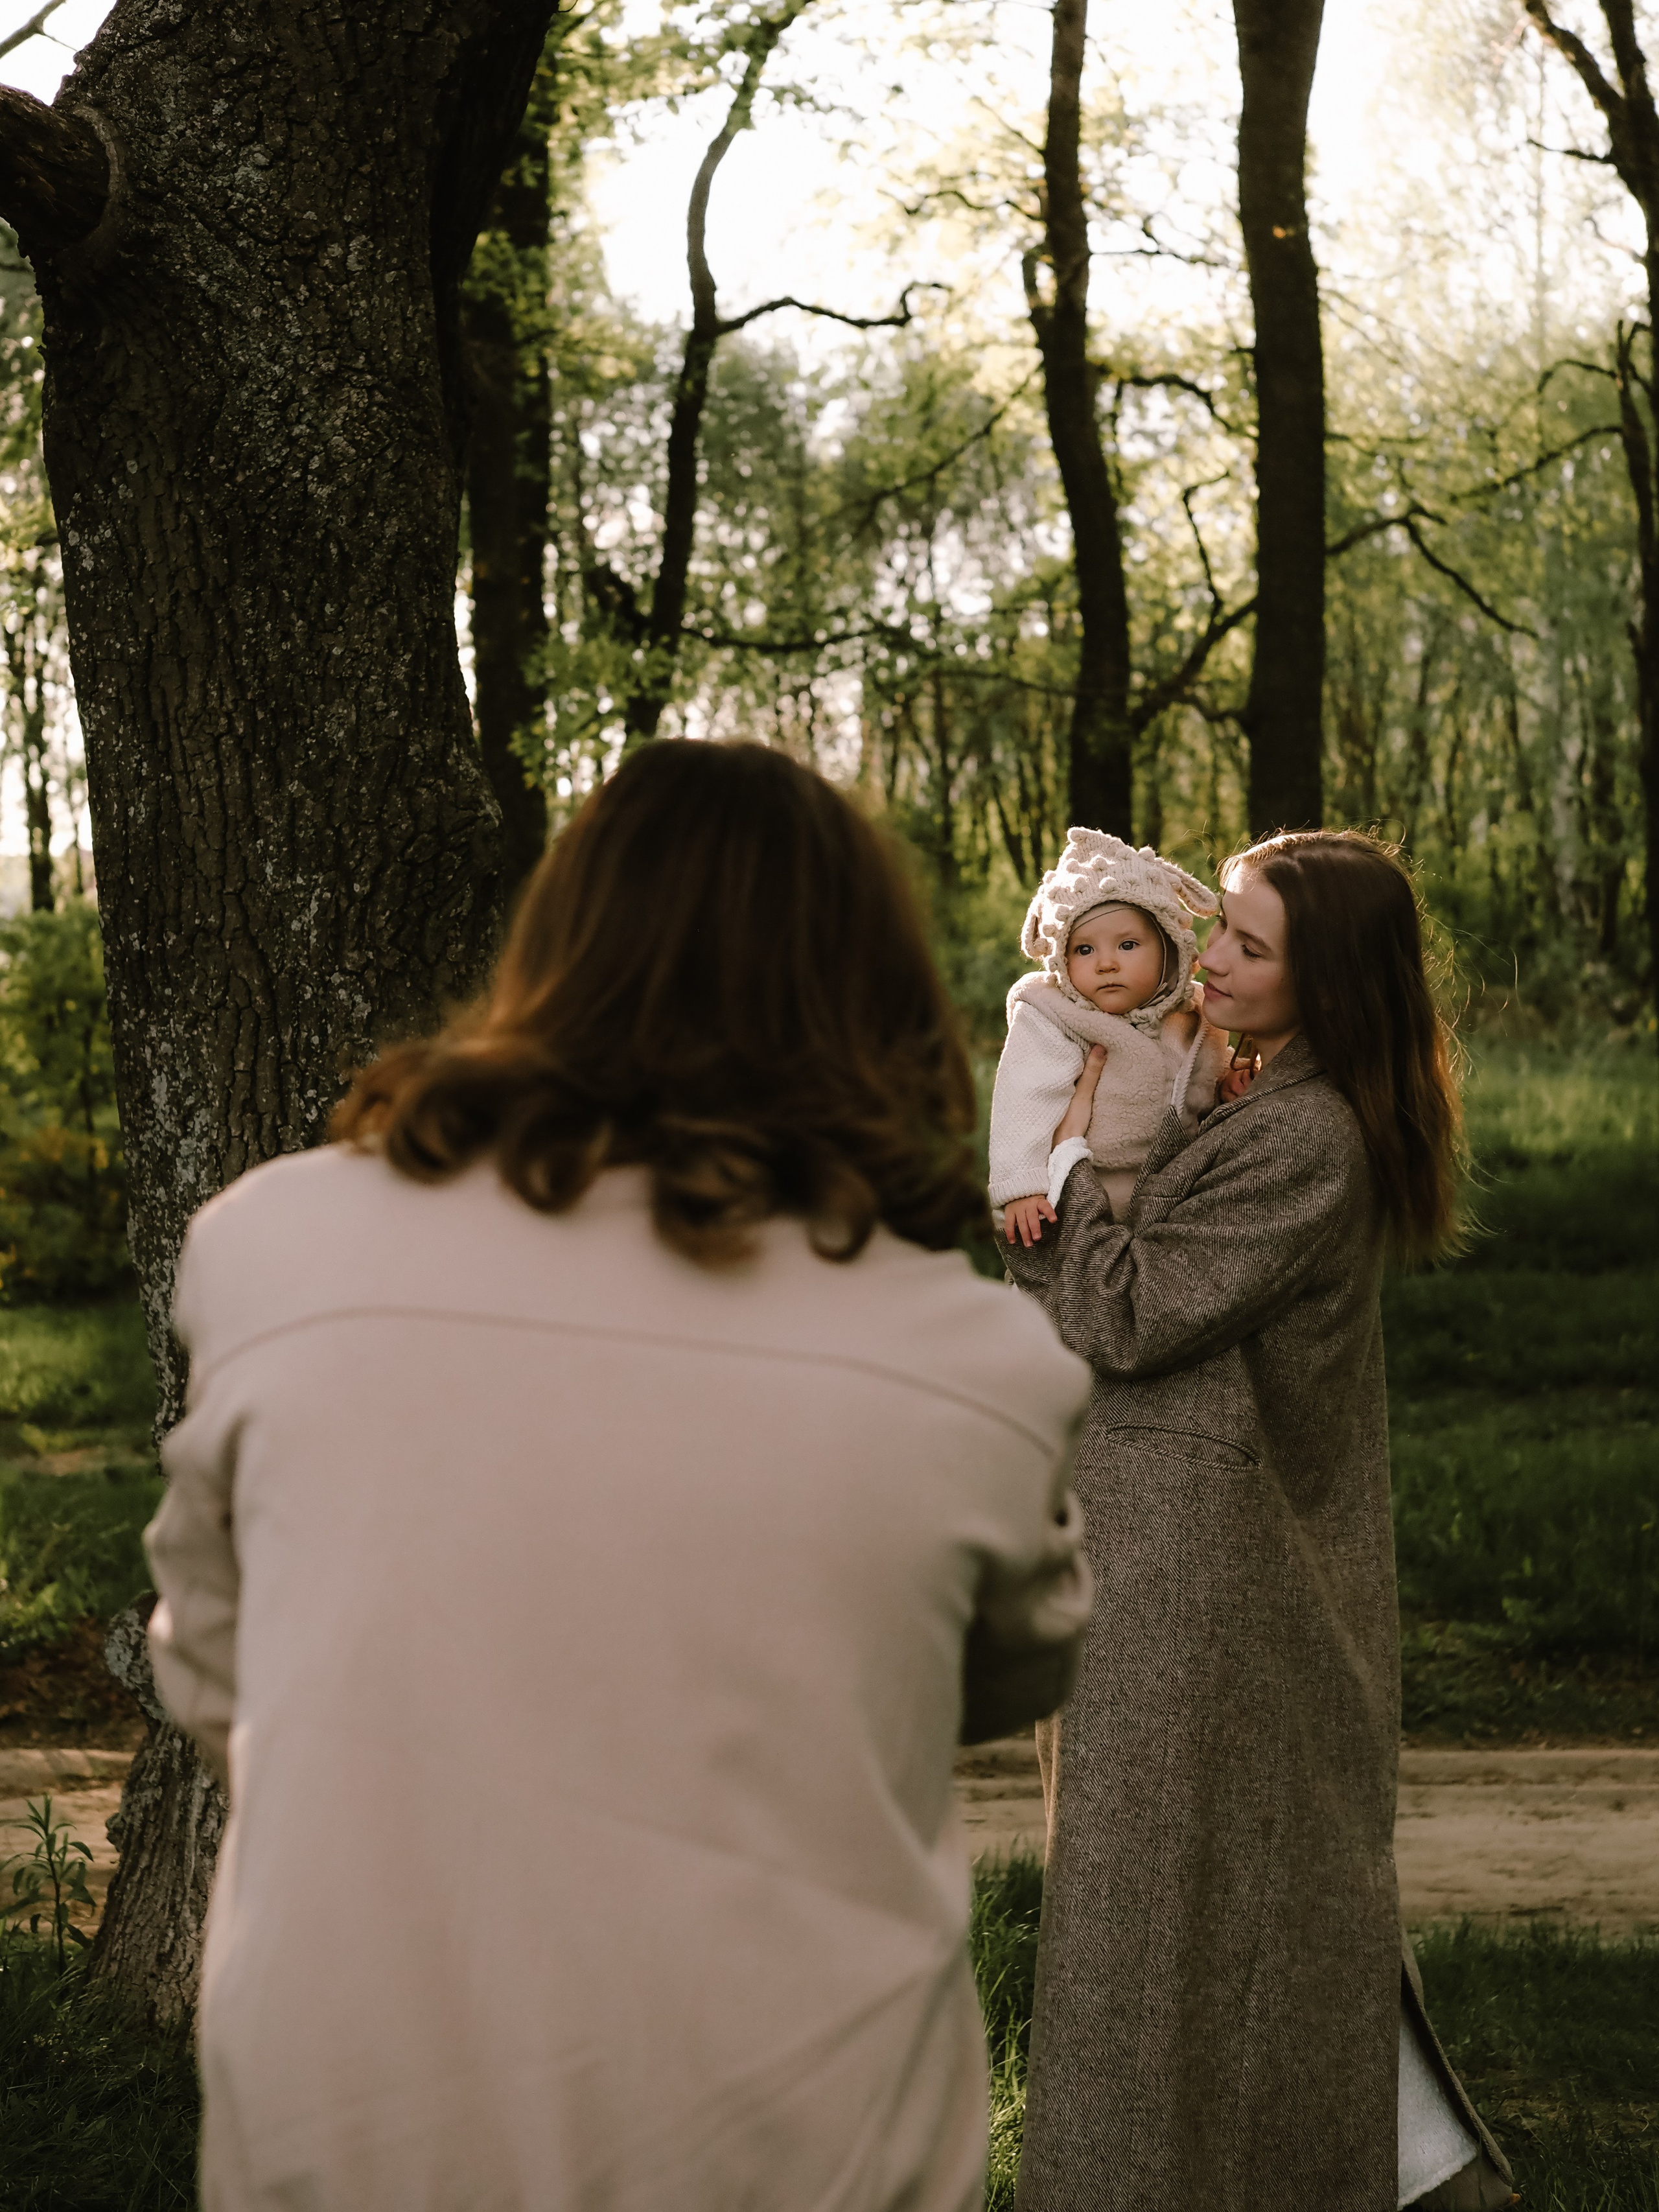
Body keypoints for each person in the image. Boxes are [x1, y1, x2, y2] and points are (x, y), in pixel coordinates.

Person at [142, 741, 1095, 2212]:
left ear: (552, 951)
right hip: (801, 2142)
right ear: (870, 994)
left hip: (357, 2120)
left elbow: (211, 1663)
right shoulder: (974, 1360)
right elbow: (1004, 1671)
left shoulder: (268, 1245)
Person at [1003, 829, 1514, 2212]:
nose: (1206, 955)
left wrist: (1051, 1169)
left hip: (1209, 1579)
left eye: (1243, 941)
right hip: (1170, 1555)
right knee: (1200, 1902)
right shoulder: (1241, 1090)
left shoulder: (1304, 1136)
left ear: (1326, 981)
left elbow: (1127, 1309)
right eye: (1216, 924)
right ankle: (1373, 2168)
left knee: (1176, 1912)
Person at [987, 828, 1233, 1248]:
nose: (1106, 964)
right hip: (1077, 1204)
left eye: (1128, 944)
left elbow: (1206, 1077)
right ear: (1062, 959)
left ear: (1169, 946)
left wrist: (1229, 1085)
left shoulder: (1193, 1013)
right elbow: (1023, 1095)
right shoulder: (1056, 1015)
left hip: (1172, 1213)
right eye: (1084, 950)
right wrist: (1022, 1184)